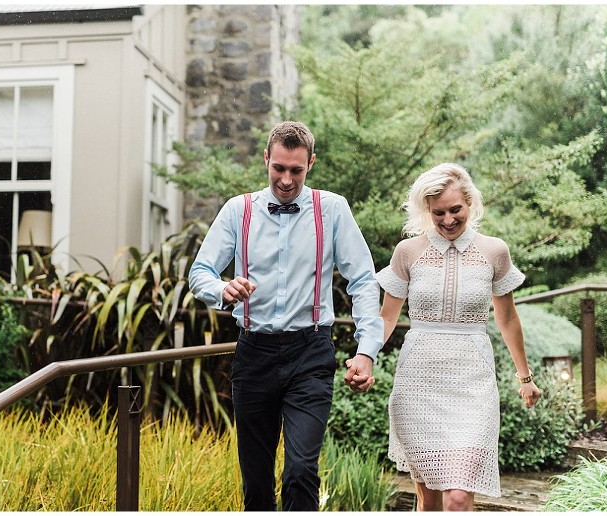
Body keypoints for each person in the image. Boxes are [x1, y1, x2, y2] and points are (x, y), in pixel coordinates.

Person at [189, 121, 384, 511]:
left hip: (309, 353)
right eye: (279, 168)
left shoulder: (331, 210)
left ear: (310, 163)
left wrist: (367, 350)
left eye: (296, 170)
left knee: (299, 471)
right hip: (254, 353)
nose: (286, 179)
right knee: (256, 482)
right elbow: (200, 273)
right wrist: (222, 290)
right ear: (266, 159)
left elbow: (362, 279)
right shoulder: (238, 210)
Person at [348, 163, 542, 511]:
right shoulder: (407, 252)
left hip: (472, 382)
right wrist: (365, 357)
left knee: (458, 496)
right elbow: (386, 318)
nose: (448, 219)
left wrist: (524, 377)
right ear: (426, 210)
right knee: (430, 500)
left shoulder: (494, 251)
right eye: (439, 212)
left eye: (456, 210)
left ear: (470, 203)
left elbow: (508, 317)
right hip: (418, 381)